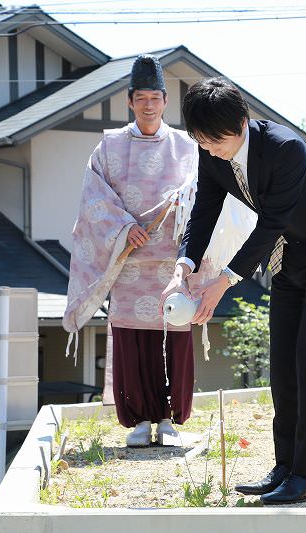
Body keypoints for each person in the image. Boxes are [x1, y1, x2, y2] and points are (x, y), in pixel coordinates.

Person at [161, 78, 306, 504]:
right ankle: (285, 466)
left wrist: (224, 280)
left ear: (241, 122)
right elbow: (204, 208)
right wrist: (184, 265)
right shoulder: (210, 150)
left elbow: (269, 222)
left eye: (215, 140)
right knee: (283, 365)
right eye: (201, 140)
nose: (210, 149)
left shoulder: (284, 147)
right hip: (289, 256)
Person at [62, 55, 200, 447]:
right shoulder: (109, 145)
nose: (149, 105)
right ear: (130, 101)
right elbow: (93, 198)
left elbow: (200, 194)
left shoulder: (186, 147)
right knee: (133, 343)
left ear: (165, 101)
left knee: (174, 338)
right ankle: (140, 421)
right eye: (141, 98)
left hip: (174, 266)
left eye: (155, 97)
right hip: (126, 262)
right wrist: (123, 227)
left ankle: (171, 422)